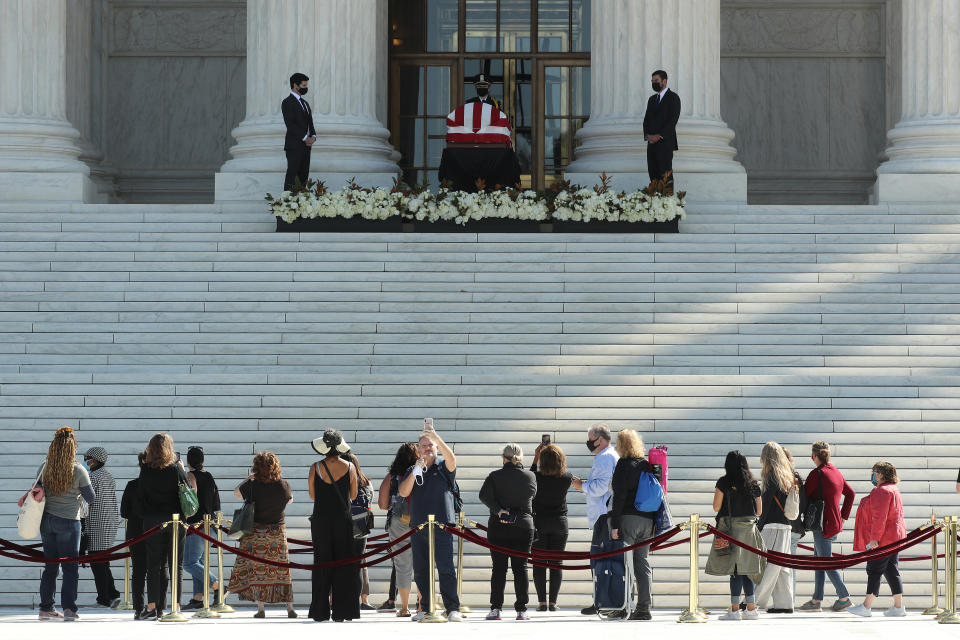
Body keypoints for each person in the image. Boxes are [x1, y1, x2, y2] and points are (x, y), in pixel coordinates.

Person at [397, 422, 463, 622]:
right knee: (422, 570)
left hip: (442, 525)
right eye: (423, 446)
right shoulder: (413, 469)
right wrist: (416, 470)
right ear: (418, 450)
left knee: (445, 567)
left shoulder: (443, 467)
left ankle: (452, 608)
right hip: (419, 526)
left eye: (430, 445)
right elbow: (403, 492)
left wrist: (437, 438)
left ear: (436, 447)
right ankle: (426, 607)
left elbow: (452, 460)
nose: (427, 448)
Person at [34, 427, 94, 621]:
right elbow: (90, 497)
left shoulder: (44, 466)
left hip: (47, 521)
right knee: (70, 568)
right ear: (72, 448)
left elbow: (37, 490)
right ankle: (69, 609)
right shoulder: (78, 469)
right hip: (69, 522)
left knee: (50, 566)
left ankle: (46, 608)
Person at [228, 451, 295, 618]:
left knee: (258, 571)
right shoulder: (283, 485)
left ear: (256, 467)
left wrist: (249, 478)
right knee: (282, 570)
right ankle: (289, 607)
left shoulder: (252, 486)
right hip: (277, 533)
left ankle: (261, 609)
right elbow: (290, 500)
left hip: (256, 533)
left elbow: (236, 492)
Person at [479, 443, 537, 621]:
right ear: (520, 458)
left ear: (503, 458)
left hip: (499, 525)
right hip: (523, 525)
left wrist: (498, 509)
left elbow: (483, 495)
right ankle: (522, 609)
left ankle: (496, 608)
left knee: (499, 569)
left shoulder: (494, 476)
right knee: (521, 568)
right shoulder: (530, 476)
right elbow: (531, 494)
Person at [308, 429, 361, 622]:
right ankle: (343, 611)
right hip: (342, 520)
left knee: (322, 563)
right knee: (344, 564)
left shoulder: (316, 467)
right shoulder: (350, 467)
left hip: (321, 520)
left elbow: (313, 495)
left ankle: (320, 611)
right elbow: (354, 496)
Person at [706, 450, 764, 621]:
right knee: (747, 569)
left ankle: (734, 610)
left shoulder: (724, 482)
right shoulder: (753, 483)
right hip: (749, 531)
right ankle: (751, 609)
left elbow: (716, 507)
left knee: (735, 570)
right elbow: (759, 510)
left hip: (730, 530)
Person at [798, 441, 855, 612]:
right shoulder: (836, 472)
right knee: (819, 561)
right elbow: (850, 494)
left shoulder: (817, 474)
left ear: (814, 456)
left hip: (822, 524)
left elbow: (804, 496)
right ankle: (816, 600)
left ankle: (844, 597)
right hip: (834, 523)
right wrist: (843, 516)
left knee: (826, 562)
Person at [608, 429, 658, 621]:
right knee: (642, 564)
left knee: (625, 565)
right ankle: (644, 608)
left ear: (621, 445)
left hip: (628, 518)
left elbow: (619, 497)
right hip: (647, 520)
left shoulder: (623, 465)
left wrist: (615, 523)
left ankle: (625, 606)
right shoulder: (646, 465)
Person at [136, 433, 187, 621]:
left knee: (154, 565)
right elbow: (187, 493)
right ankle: (176, 606)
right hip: (175, 520)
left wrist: (146, 515)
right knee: (176, 565)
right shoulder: (175, 469)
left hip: (152, 521)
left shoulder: (146, 470)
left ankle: (152, 607)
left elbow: (139, 497)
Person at [847, 462, 907, 618]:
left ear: (880, 474)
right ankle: (899, 607)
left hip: (884, 539)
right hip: (895, 537)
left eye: (874, 472)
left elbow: (879, 518)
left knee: (874, 570)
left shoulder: (881, 491)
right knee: (891, 570)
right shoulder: (894, 489)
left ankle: (866, 607)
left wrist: (874, 538)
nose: (873, 475)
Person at [571, 423, 617, 616]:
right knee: (603, 560)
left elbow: (600, 487)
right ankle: (604, 600)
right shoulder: (607, 456)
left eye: (591, 440)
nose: (589, 443)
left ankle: (603, 601)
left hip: (603, 516)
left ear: (601, 439)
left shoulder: (605, 458)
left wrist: (581, 486)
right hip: (605, 515)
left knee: (599, 560)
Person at [378, 442, 420, 617]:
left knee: (402, 565)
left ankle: (404, 607)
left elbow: (382, 504)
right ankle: (421, 604)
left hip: (398, 522)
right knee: (422, 562)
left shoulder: (392, 476)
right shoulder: (421, 473)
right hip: (421, 521)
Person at [754, 442, 797, 613]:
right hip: (786, 526)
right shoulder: (787, 476)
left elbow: (766, 505)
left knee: (769, 566)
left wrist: (759, 525)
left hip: (772, 526)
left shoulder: (771, 477)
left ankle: (755, 601)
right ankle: (785, 604)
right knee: (782, 568)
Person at [530, 441, 573, 612]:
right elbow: (564, 471)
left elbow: (530, 475)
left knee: (539, 563)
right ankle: (553, 603)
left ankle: (541, 602)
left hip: (539, 522)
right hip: (559, 522)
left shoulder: (536, 477)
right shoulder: (567, 477)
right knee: (556, 563)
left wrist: (535, 458)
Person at [182, 446, 221, 610]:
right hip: (209, 523)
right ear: (203, 460)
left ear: (189, 461)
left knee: (188, 563)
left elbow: (191, 500)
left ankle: (217, 585)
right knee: (199, 563)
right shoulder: (209, 475)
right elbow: (216, 500)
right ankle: (198, 598)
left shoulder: (190, 475)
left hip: (196, 524)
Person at [83, 446, 120, 608]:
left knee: (97, 562)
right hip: (109, 522)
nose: (86, 461)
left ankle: (103, 599)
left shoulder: (91, 477)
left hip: (97, 523)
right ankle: (113, 594)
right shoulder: (109, 476)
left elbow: (86, 501)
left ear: (96, 459)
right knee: (103, 561)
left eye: (88, 458)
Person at [343, 451, 375, 611]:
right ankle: (358, 601)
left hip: (343, 523)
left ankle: (336, 600)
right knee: (359, 565)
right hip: (361, 523)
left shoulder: (341, 482)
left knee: (338, 562)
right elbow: (370, 501)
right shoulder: (367, 482)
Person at [642, 69, 681, 194]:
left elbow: (672, 120)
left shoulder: (673, 98)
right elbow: (646, 120)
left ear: (664, 81)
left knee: (665, 175)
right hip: (651, 144)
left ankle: (668, 206)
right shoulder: (651, 99)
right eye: (652, 81)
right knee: (653, 174)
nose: (654, 83)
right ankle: (655, 203)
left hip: (665, 143)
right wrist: (648, 136)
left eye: (656, 81)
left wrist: (659, 136)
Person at [120, 452, 148, 619]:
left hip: (135, 532)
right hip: (155, 531)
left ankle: (139, 608)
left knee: (138, 571)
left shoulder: (131, 485)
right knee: (155, 570)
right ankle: (155, 606)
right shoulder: (158, 487)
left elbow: (124, 512)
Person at [282, 72, 317, 191]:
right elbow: (290, 124)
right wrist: (304, 137)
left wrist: (313, 136)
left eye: (306, 86)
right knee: (292, 176)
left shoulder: (305, 104)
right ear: (295, 85)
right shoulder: (287, 102)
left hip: (306, 147)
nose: (305, 88)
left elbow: (310, 123)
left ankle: (300, 203)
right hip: (294, 146)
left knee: (303, 176)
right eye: (303, 86)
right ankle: (286, 204)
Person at [782, 448, 808, 597]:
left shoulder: (777, 478)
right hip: (796, 526)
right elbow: (803, 504)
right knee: (791, 567)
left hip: (781, 526)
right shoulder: (796, 477)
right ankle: (789, 600)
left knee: (773, 565)